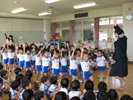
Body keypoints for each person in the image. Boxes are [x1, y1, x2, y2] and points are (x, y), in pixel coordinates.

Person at [110, 18, 128, 90]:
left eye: (117, 33)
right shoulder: (117, 41)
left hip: (121, 59)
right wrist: (113, 59)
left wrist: (115, 24)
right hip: (118, 59)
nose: (116, 34)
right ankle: (122, 86)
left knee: (114, 74)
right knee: (120, 74)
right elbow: (116, 51)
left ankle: (123, 81)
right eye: (115, 34)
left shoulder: (123, 39)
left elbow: (120, 33)